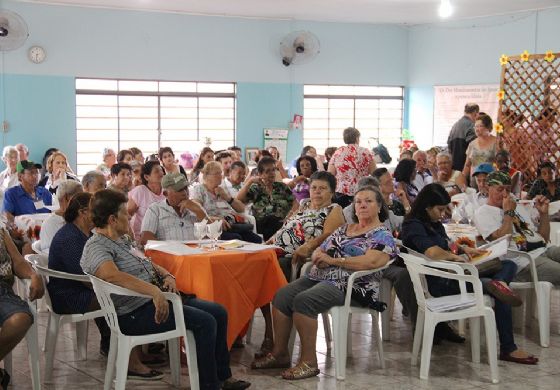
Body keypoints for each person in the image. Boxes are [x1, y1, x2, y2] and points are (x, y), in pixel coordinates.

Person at [80, 190, 251, 389]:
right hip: (133, 314)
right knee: (206, 322)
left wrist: (167, 276)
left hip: (155, 301)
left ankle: (223, 377)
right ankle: (209, 385)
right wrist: (154, 291)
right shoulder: (96, 246)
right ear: (112, 219)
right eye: (125, 213)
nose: (130, 216)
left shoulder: (121, 239)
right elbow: (111, 275)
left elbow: (146, 262)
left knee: (219, 312)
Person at [251, 186, 396, 379]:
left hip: (352, 287)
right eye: (358, 201)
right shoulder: (346, 228)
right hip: (320, 276)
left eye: (368, 201)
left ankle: (309, 362)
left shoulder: (382, 234)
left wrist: (333, 261)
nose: (362, 205)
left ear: (379, 206)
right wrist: (319, 254)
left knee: (304, 300)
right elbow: (322, 248)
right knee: (282, 295)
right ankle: (280, 353)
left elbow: (371, 261)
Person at [403, 183, 537, 363]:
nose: (443, 214)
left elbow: (445, 243)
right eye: (440, 209)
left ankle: (499, 284)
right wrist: (454, 257)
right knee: (498, 293)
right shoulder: (413, 226)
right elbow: (432, 252)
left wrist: (463, 248)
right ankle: (508, 348)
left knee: (508, 265)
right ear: (426, 207)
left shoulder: (432, 223)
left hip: (456, 275)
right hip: (442, 283)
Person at [47, 192, 111, 355]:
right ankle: (124, 349)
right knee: (123, 298)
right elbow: (86, 278)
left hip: (79, 288)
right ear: (82, 212)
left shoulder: (85, 234)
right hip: (67, 295)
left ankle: (114, 342)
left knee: (118, 292)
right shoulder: (70, 237)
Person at [474, 171, 560, 288]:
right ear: (488, 188)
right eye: (500, 190)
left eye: (508, 190)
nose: (505, 194)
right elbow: (503, 241)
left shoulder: (516, 205)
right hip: (523, 262)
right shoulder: (483, 213)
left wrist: (543, 214)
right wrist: (508, 212)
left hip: (544, 250)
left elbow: (543, 239)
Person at [270, 171, 345, 281]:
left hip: (293, 256)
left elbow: (330, 235)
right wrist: (270, 240)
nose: (317, 192)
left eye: (322, 188)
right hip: (276, 249)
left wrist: (309, 246)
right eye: (313, 188)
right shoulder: (304, 205)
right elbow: (287, 225)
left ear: (332, 192)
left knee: (269, 263)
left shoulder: (334, 209)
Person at [0, 227, 44, 388]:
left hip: (1, 290)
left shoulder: (1, 231)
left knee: (20, 318)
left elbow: (18, 261)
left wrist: (34, 275)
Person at [192, 162, 261, 243]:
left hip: (231, 224)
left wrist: (227, 197)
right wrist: (212, 218)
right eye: (217, 173)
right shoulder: (200, 189)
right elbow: (196, 209)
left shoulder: (221, 189)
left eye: (221, 173)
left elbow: (241, 209)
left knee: (256, 239)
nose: (221, 176)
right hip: (214, 227)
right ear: (207, 176)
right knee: (237, 238)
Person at [237, 157, 296, 241]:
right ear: (260, 174)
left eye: (273, 170)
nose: (272, 173)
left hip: (284, 222)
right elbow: (239, 199)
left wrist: (290, 216)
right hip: (263, 224)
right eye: (268, 171)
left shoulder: (282, 187)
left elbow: (295, 203)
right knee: (271, 220)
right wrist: (250, 182)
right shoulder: (256, 188)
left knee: (281, 224)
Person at [140, 173, 207, 246]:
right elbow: (145, 238)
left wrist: (199, 211)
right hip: (168, 255)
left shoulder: (195, 207)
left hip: (196, 255)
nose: (185, 193)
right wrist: (171, 250)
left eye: (185, 188)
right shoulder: (155, 209)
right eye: (179, 190)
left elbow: (214, 235)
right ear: (165, 194)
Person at [328, 127, 376, 208]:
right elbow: (374, 173)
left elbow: (330, 174)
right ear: (357, 138)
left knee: (342, 217)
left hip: (341, 192)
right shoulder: (366, 152)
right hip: (362, 191)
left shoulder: (338, 152)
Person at [39, 180, 83, 253]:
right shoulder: (50, 224)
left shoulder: (80, 218)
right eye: (79, 199)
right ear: (65, 198)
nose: (82, 203)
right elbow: (49, 253)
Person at [128, 161, 165, 241]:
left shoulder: (167, 191)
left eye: (161, 170)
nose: (161, 173)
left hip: (164, 238)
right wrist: (131, 238)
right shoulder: (140, 191)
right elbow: (127, 215)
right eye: (156, 171)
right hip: (142, 239)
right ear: (146, 177)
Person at [373, 168, 410, 235]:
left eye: (391, 180)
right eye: (388, 182)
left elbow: (411, 221)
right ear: (378, 187)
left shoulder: (397, 204)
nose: (392, 184)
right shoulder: (376, 208)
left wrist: (405, 201)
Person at [462, 114, 498, 182]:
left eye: (480, 126)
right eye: (475, 127)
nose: (477, 129)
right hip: (474, 180)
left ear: (488, 127)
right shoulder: (472, 144)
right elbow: (467, 165)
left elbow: (500, 164)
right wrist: (462, 179)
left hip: (490, 180)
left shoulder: (496, 142)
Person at [447, 103, 479, 171]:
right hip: (465, 168)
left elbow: (448, 145)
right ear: (475, 113)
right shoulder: (471, 125)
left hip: (453, 167)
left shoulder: (455, 125)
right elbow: (474, 149)